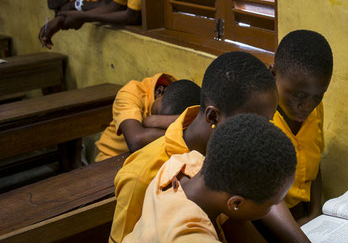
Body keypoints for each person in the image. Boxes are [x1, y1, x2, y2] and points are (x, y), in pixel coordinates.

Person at [110, 51, 310, 243]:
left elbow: (260, 197)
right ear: (213, 116)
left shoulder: (198, 162)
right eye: (253, 120)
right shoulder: (143, 175)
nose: (260, 131)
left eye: (267, 122)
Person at [122, 113, 297, 243]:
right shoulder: (190, 238)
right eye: (272, 204)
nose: (275, 209)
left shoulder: (183, 164)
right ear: (235, 203)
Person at [269, 30, 333, 226]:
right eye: (298, 96)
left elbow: (314, 165)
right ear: (274, 75)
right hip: (269, 222)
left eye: (318, 96)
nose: (306, 107)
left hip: (304, 214)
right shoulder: (260, 120)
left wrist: (315, 212)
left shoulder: (315, 111)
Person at [95, 74, 202, 162]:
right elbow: (136, 141)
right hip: (111, 159)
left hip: (148, 159)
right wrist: (189, 132)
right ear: (159, 92)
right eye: (157, 116)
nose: (160, 123)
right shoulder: (131, 93)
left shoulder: (185, 96)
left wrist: (152, 121)